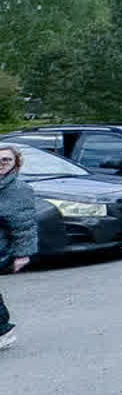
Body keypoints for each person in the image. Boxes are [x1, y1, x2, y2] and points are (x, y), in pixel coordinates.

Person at [0, 144, 37, 350]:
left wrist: (23, 254)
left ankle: (3, 331)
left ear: (16, 163)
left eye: (6, 160)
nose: (1, 164)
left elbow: (24, 225)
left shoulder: (19, 190)